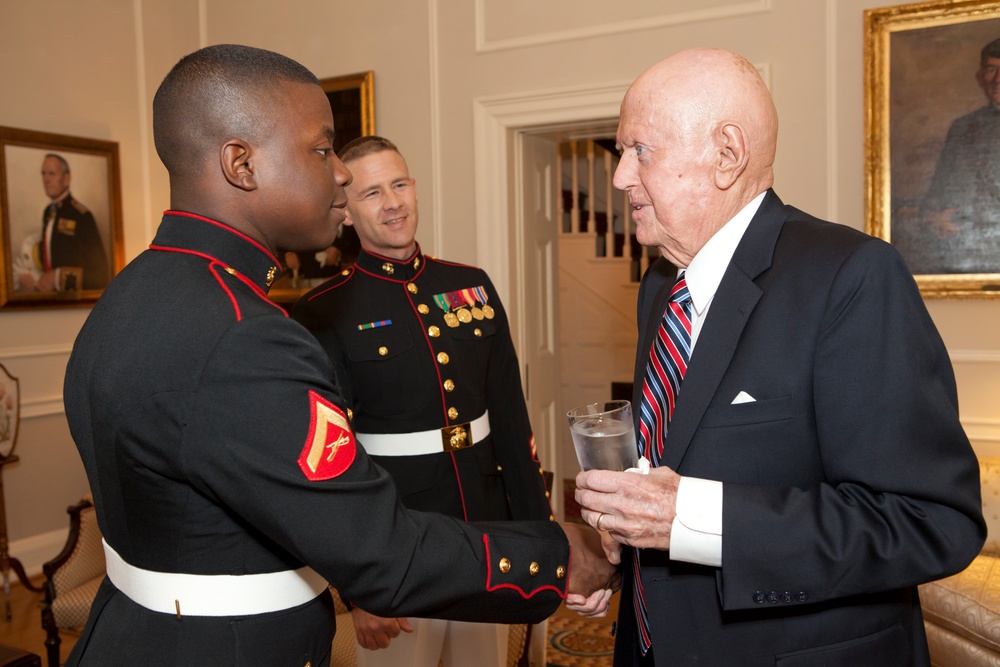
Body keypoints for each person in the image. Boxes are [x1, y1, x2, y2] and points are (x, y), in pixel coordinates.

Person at [62, 44, 615, 667]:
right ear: (241, 163)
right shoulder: (245, 332)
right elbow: (376, 547)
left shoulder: (133, 294)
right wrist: (560, 552)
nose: (344, 175)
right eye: (322, 150)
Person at [572, 47, 985, 666]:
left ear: (727, 154)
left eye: (640, 151)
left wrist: (692, 518)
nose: (620, 177)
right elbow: (680, 459)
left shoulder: (851, 276)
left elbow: (929, 521)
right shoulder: (662, 286)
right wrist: (626, 543)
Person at [292, 136, 554, 667]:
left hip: (485, 534)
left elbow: (510, 419)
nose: (393, 202)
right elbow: (332, 464)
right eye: (371, 193)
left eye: (399, 184)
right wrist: (360, 587)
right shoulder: (323, 311)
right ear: (346, 210)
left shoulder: (470, 286)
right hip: (398, 547)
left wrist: (539, 539)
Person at [896, 37, 1000, 274]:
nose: (997, 80)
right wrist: (932, 216)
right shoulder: (963, 127)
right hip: (961, 249)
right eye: (991, 70)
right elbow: (938, 190)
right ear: (979, 77)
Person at [16, 153, 109, 292]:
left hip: (73, 305)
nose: (46, 179)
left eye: (52, 173)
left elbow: (100, 274)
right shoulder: (48, 212)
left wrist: (59, 277)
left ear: (66, 178)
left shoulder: (82, 216)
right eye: (43, 174)